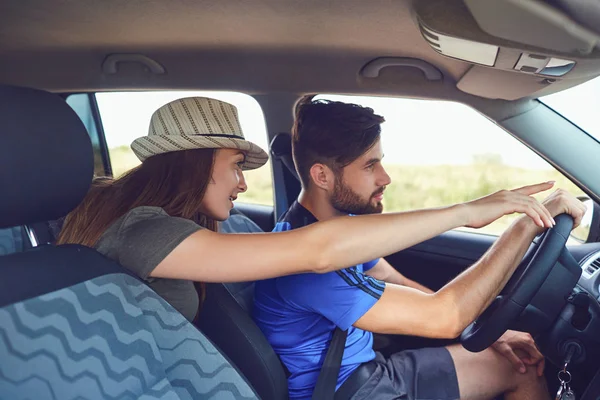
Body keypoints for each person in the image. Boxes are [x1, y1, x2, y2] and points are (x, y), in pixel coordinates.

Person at [58, 95, 564, 324]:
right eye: (235, 164)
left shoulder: (194, 229)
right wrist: (468, 211)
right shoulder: (143, 232)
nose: (242, 181)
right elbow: (319, 251)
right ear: (193, 163)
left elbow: (353, 256)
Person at [252, 97, 586, 400]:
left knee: (519, 368)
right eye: (370, 166)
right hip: (349, 391)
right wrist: (527, 224)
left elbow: (384, 274)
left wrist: (487, 331)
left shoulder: (341, 231)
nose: (386, 177)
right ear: (322, 176)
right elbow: (445, 317)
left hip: (372, 371)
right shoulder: (308, 265)